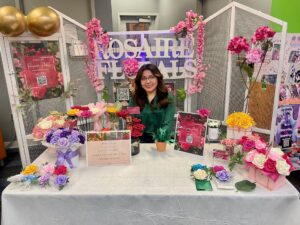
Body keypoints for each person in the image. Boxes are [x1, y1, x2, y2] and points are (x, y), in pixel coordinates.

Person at [129, 64, 175, 143]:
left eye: (151, 77)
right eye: (143, 78)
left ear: (158, 78)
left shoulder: (167, 97)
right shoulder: (135, 98)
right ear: (139, 81)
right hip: (139, 141)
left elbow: (168, 123)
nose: (148, 81)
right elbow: (131, 121)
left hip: (161, 139)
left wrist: (160, 139)